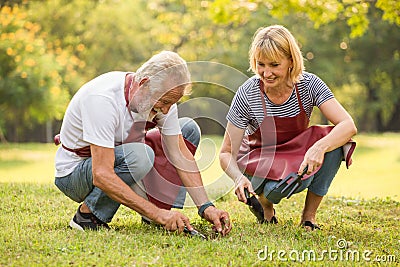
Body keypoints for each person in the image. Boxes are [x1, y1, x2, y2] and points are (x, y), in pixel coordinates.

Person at [54, 50, 231, 236]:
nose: (167, 109)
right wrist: (158, 215)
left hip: (120, 159)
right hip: (76, 173)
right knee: (140, 156)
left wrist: (206, 206)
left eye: (172, 103)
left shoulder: (160, 98)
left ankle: (158, 210)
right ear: (144, 83)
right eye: (164, 101)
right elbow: (102, 174)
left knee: (187, 130)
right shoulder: (103, 100)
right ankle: (87, 217)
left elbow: (179, 153)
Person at [219, 25, 357, 230]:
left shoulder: (309, 84)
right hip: (259, 157)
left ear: (291, 61)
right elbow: (226, 152)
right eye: (261, 64)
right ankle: (266, 205)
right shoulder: (247, 93)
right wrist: (238, 178)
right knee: (275, 191)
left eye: (274, 65)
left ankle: (309, 217)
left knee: (337, 143)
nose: (266, 73)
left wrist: (319, 148)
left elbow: (348, 125)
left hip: (295, 151)